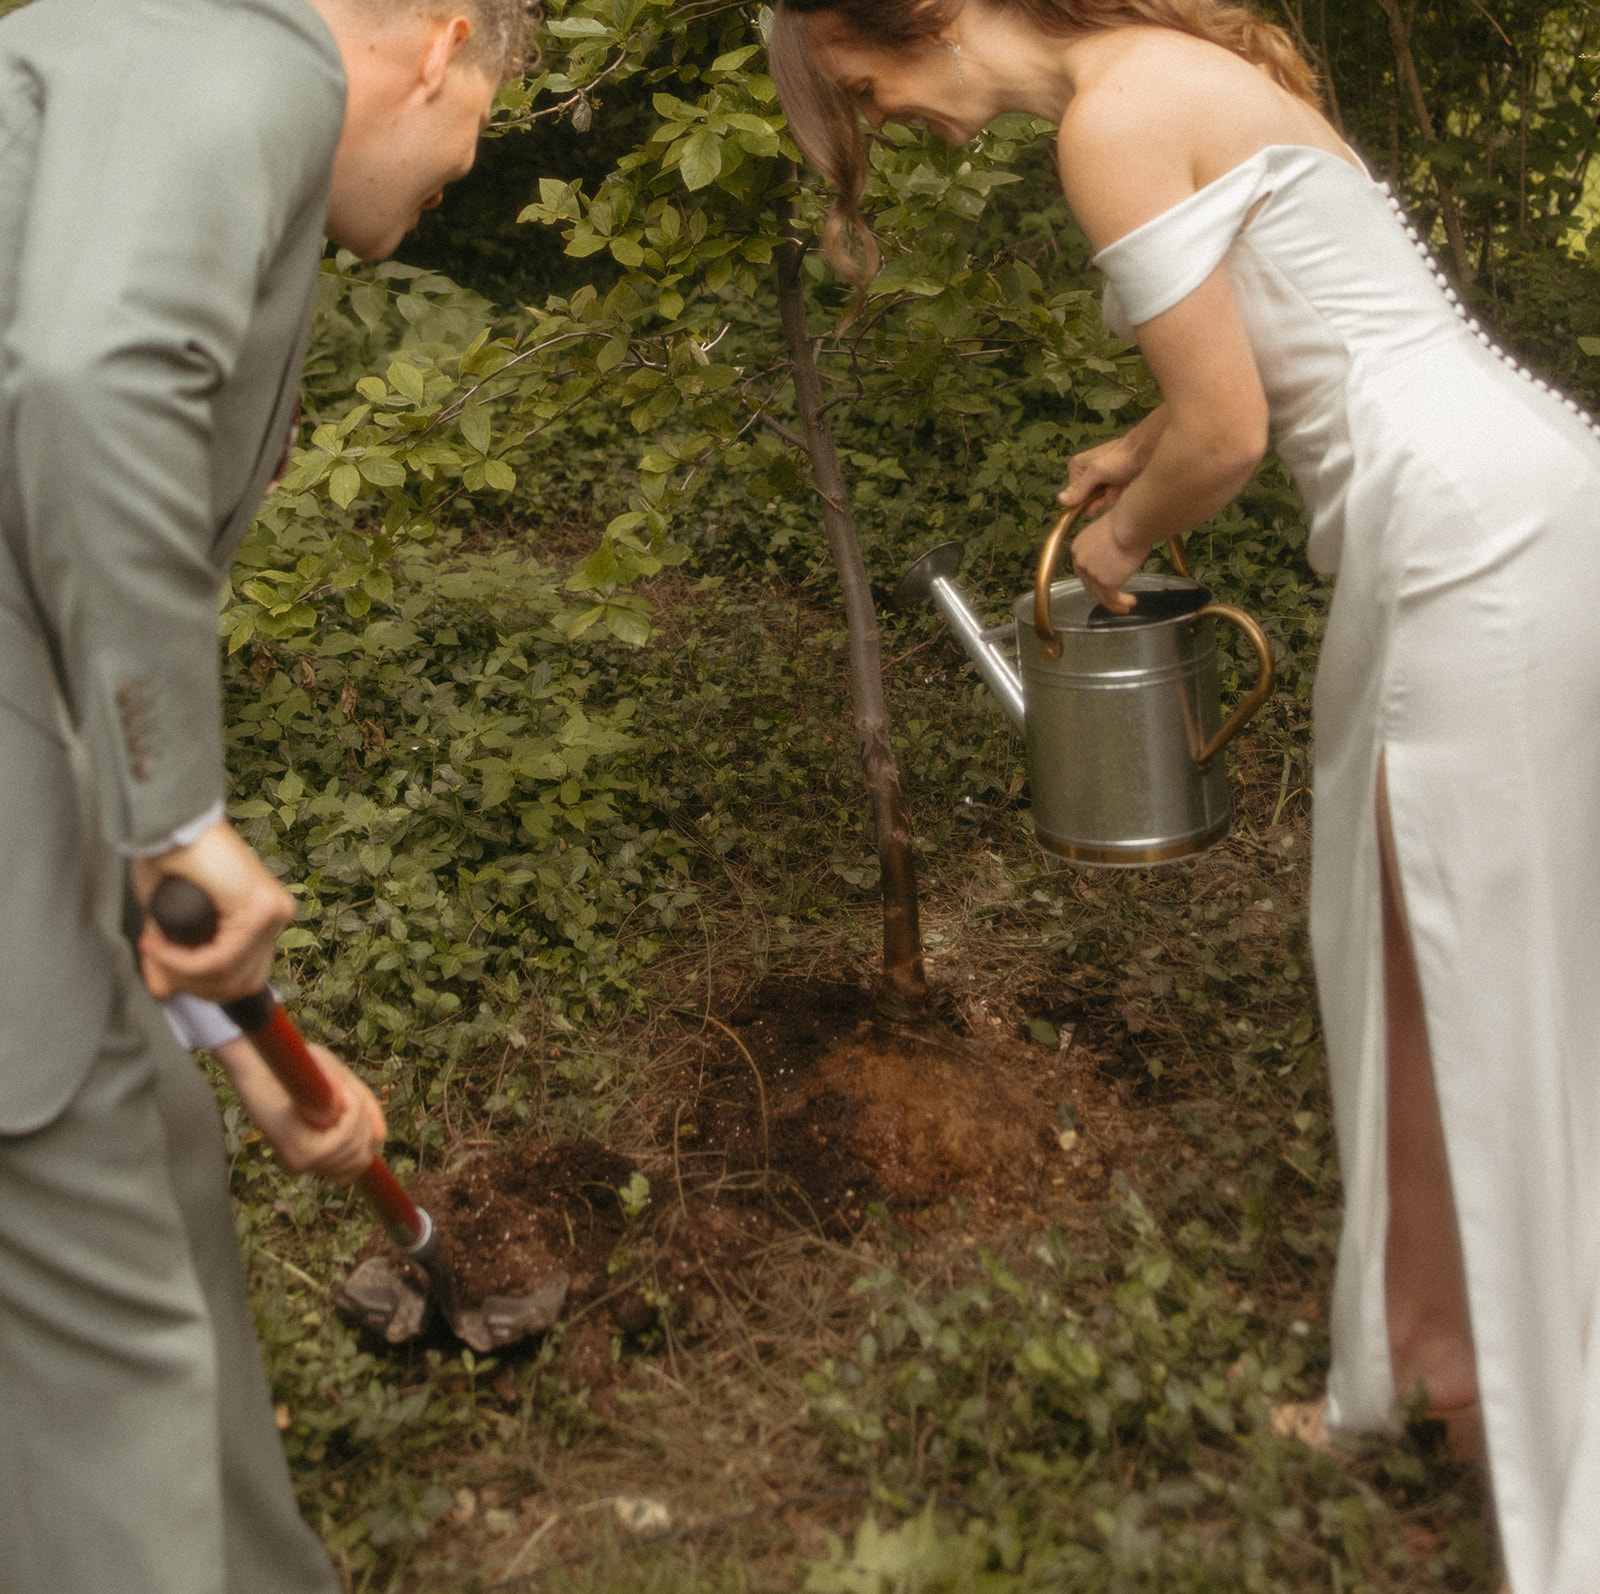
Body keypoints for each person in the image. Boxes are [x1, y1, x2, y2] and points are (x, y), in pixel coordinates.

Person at [768, 2, 1600, 1591]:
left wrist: (1121, 540)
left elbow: (1231, 432)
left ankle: (1567, 1487)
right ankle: (1425, 1364)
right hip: (1482, 507)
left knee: (1504, 991)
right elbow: (1277, 342)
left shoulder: (1111, 120)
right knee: (1390, 948)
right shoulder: (1160, 80)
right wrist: (1132, 439)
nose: (916, 132)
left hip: (1476, 539)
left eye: (872, 91)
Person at [0, 0, 527, 1589]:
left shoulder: (115, 66)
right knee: (114, 1365)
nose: (457, 175)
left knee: (160, 1195)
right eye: (477, 126)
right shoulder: (236, 60)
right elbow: (93, 381)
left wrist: (240, 1044)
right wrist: (179, 819)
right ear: (438, 43)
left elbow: (53, 596)